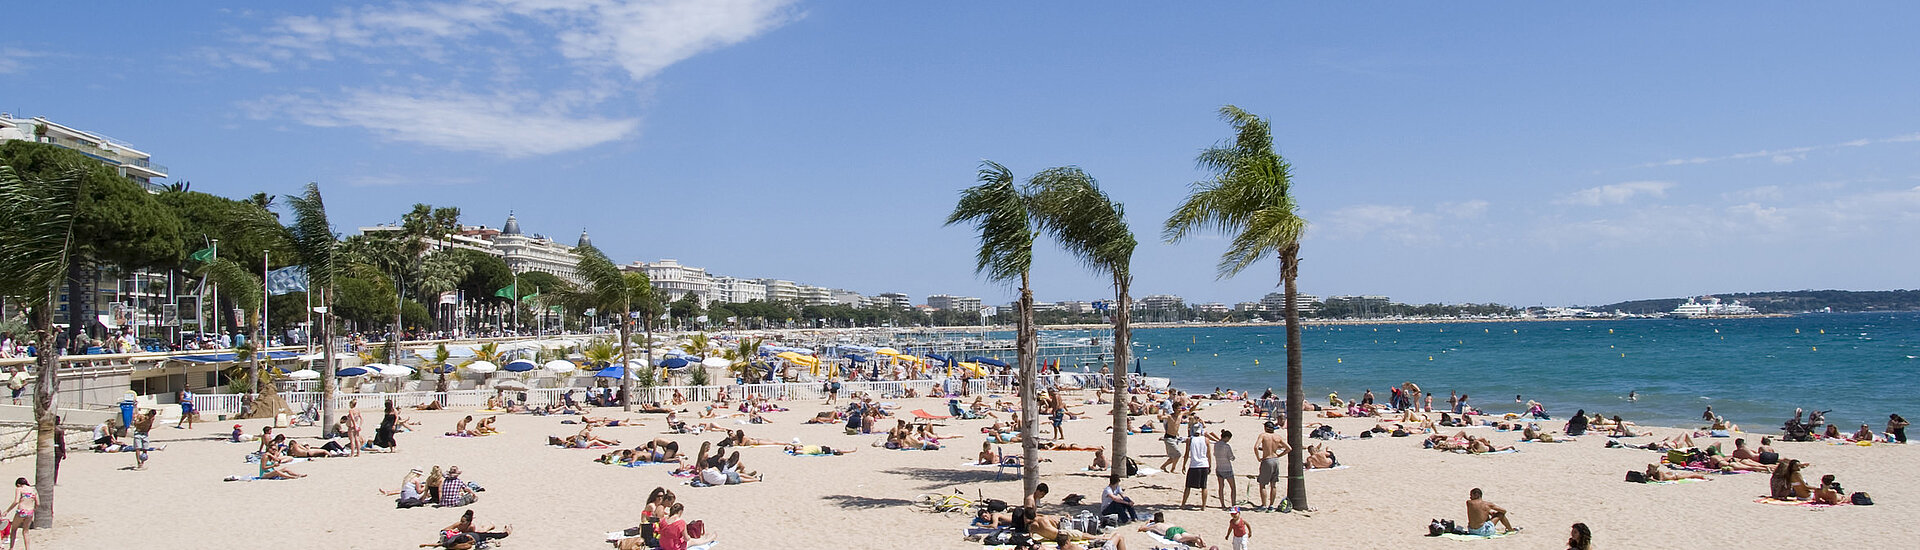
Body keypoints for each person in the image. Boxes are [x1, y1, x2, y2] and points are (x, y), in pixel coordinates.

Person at [419, 509, 510, 549]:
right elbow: (444, 530)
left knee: (483, 531)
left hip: (475, 533)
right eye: (461, 521)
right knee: (485, 533)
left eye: (463, 521)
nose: (461, 522)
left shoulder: (471, 526)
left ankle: (490, 525)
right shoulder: (457, 529)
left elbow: (440, 544)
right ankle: (493, 526)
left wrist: (426, 544)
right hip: (474, 535)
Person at [1254, 420, 1289, 512]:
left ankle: (1264, 505)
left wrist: (1258, 458)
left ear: (1265, 428)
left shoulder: (1263, 435)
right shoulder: (1278, 437)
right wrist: (1279, 455)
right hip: (1275, 460)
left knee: (1262, 484)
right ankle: (1271, 505)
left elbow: (1256, 447)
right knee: (1273, 484)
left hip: (1267, 460)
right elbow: (1289, 448)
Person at [1178, 423, 1212, 509]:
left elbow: (1186, 454)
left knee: (1188, 486)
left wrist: (1184, 465)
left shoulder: (1190, 440)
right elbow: (1209, 454)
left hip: (1194, 465)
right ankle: (1203, 506)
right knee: (1204, 486)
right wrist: (1210, 465)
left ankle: (1183, 504)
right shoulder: (1206, 440)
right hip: (1204, 465)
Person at [1136, 511, 1203, 547]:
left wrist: (1147, 522)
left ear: (1155, 520)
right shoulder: (1168, 523)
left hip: (1170, 531)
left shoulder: (1156, 525)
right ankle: (1195, 539)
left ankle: (1196, 537)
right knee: (1186, 536)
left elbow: (1142, 529)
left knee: (1180, 539)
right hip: (1177, 528)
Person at [3, 478, 35, 550]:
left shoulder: (19, 489)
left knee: (14, 529)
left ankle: (11, 548)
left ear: (18, 484)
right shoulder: (33, 490)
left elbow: (16, 501)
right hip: (30, 512)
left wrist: (7, 511)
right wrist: (33, 509)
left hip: (21, 511)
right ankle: (27, 548)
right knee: (26, 531)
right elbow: (38, 503)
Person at [1212, 430, 1237, 509]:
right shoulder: (1226, 446)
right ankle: (1233, 504)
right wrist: (1233, 457)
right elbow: (1231, 457)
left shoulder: (1216, 445)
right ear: (1226, 437)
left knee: (1221, 487)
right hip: (1227, 468)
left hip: (1219, 468)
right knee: (1233, 487)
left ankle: (1222, 505)